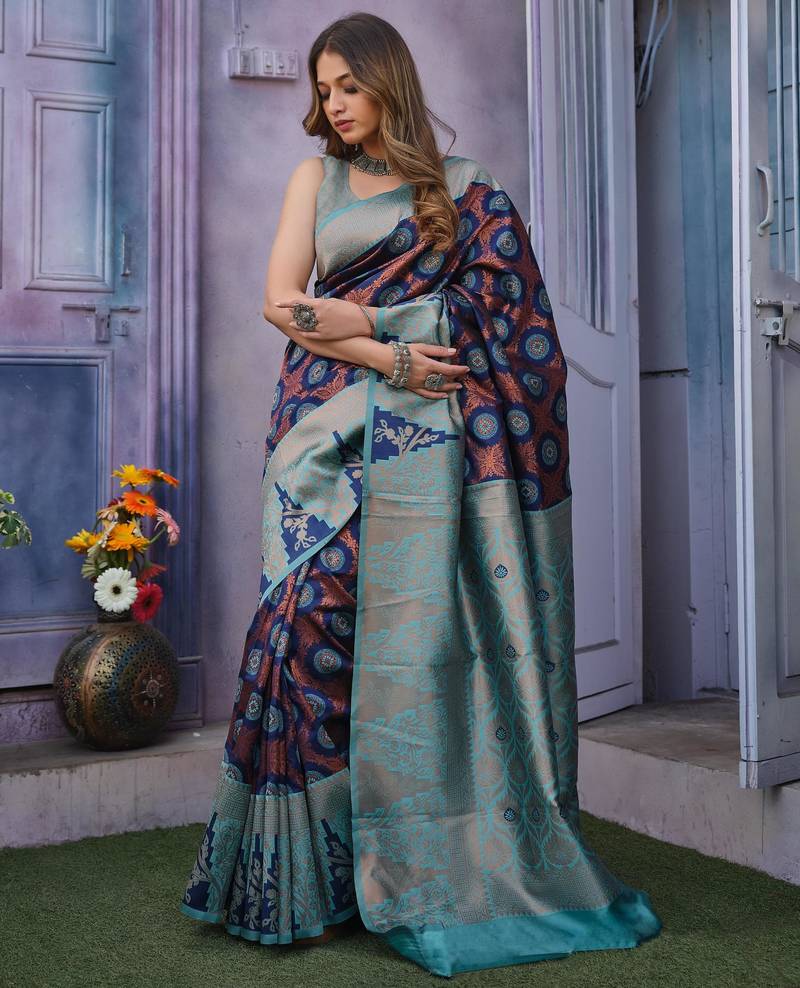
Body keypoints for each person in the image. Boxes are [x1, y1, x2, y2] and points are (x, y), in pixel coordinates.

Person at [179, 11, 662, 977]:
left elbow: (511, 322)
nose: (334, 104)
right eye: (323, 90)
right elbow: (282, 305)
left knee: (413, 639)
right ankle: (303, 884)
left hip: (435, 450)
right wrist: (389, 351)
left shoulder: (466, 189)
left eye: (348, 86)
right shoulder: (314, 180)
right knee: (302, 624)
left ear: (387, 80)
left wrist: (367, 327)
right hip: (322, 434)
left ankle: (415, 858)